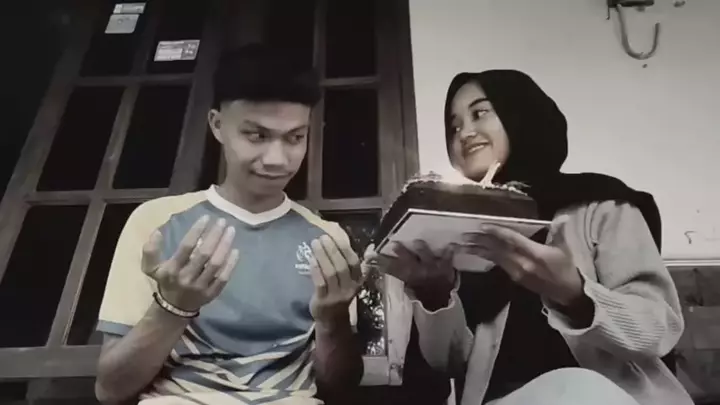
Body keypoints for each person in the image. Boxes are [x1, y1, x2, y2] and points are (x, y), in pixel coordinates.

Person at [375, 70, 693, 405]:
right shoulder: (460, 231)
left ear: (519, 114)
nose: (465, 133)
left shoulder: (601, 206)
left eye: (480, 113)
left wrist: (576, 295)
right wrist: (435, 295)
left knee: (577, 388)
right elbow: (448, 362)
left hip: (607, 397)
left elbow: (658, 330)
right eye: (454, 127)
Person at [94, 44, 364, 405]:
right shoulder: (156, 223)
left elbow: (340, 389)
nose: (277, 159)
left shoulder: (327, 240)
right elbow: (110, 390)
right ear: (218, 125)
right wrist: (173, 307)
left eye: (295, 138)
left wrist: (332, 320)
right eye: (257, 135)